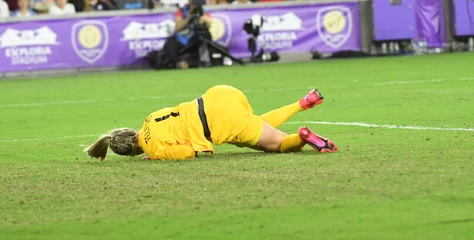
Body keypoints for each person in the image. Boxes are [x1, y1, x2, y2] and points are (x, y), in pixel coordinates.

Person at [86, 86, 336, 161]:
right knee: (254, 124)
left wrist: (156, 155)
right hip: (219, 95)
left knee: (276, 144)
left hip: (219, 122)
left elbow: (187, 152)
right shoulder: (149, 118)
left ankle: (302, 136)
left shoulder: (153, 150)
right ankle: (303, 102)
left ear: (131, 151)